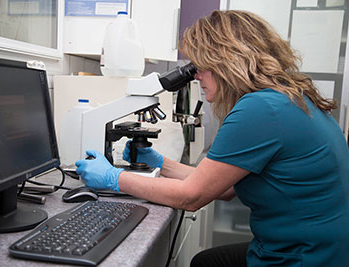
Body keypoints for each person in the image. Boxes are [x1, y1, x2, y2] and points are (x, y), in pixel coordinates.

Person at [75, 10, 349, 267]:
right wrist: (162, 163)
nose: (196, 76)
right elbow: (225, 187)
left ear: (227, 61)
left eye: (201, 65)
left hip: (303, 257)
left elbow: (191, 197)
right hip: (319, 247)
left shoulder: (260, 109)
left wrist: (113, 177)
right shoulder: (287, 99)